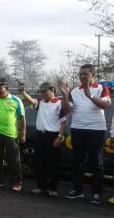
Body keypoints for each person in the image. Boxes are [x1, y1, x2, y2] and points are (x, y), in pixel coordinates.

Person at [59, 64, 111, 204]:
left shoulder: (102, 88)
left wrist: (90, 96)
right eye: (80, 74)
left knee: (97, 163)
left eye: (85, 74)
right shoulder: (74, 91)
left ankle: (96, 193)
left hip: (96, 130)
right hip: (77, 129)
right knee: (78, 162)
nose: (82, 76)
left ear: (93, 75)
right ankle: (78, 190)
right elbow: (67, 110)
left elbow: (105, 105)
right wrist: (64, 95)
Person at [19, 82, 67, 197]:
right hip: (40, 135)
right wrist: (23, 92)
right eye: (41, 92)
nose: (42, 94)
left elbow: (64, 121)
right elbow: (32, 101)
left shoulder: (59, 103)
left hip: (53, 136)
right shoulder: (41, 103)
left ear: (52, 90)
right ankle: (41, 186)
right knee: (38, 162)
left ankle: (53, 188)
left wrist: (59, 137)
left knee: (52, 164)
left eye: (45, 91)